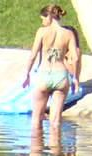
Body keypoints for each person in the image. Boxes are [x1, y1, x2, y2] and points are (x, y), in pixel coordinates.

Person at [23, 5, 80, 136]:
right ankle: (56, 147)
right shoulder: (69, 34)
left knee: (36, 119)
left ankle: (36, 146)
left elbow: (33, 55)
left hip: (44, 74)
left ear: (49, 16)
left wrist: (27, 74)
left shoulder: (42, 32)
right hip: (61, 76)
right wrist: (75, 78)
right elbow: (75, 58)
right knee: (55, 122)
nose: (43, 22)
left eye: (43, 19)